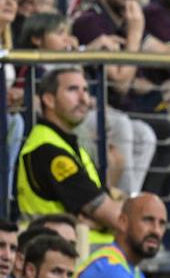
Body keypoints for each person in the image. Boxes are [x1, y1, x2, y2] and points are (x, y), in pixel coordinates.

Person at [15, 67, 123, 243]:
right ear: (49, 100)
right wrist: (105, 219)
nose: (83, 99)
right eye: (73, 90)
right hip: (66, 256)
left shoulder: (69, 146)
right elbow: (119, 219)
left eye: (86, 90)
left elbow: (113, 209)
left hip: (89, 256)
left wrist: (99, 219)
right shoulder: (48, 150)